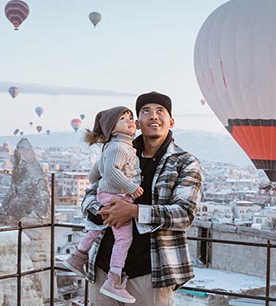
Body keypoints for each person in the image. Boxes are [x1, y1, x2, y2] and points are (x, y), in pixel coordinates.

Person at [83, 92, 203, 306]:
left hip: (150, 273)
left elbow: (185, 214)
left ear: (171, 121)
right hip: (103, 267)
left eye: (160, 111)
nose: (153, 116)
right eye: (146, 111)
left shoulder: (185, 162)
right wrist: (102, 212)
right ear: (137, 122)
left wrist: (134, 211)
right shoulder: (118, 150)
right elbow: (89, 195)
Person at [63, 106, 143, 304]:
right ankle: (114, 279)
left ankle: (77, 256)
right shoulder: (120, 147)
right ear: (112, 128)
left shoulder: (111, 146)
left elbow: (95, 173)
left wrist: (100, 187)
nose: (130, 120)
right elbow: (111, 172)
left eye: (131, 117)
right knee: (124, 238)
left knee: (98, 226)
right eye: (123, 118)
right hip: (117, 195)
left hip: (106, 194)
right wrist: (131, 187)